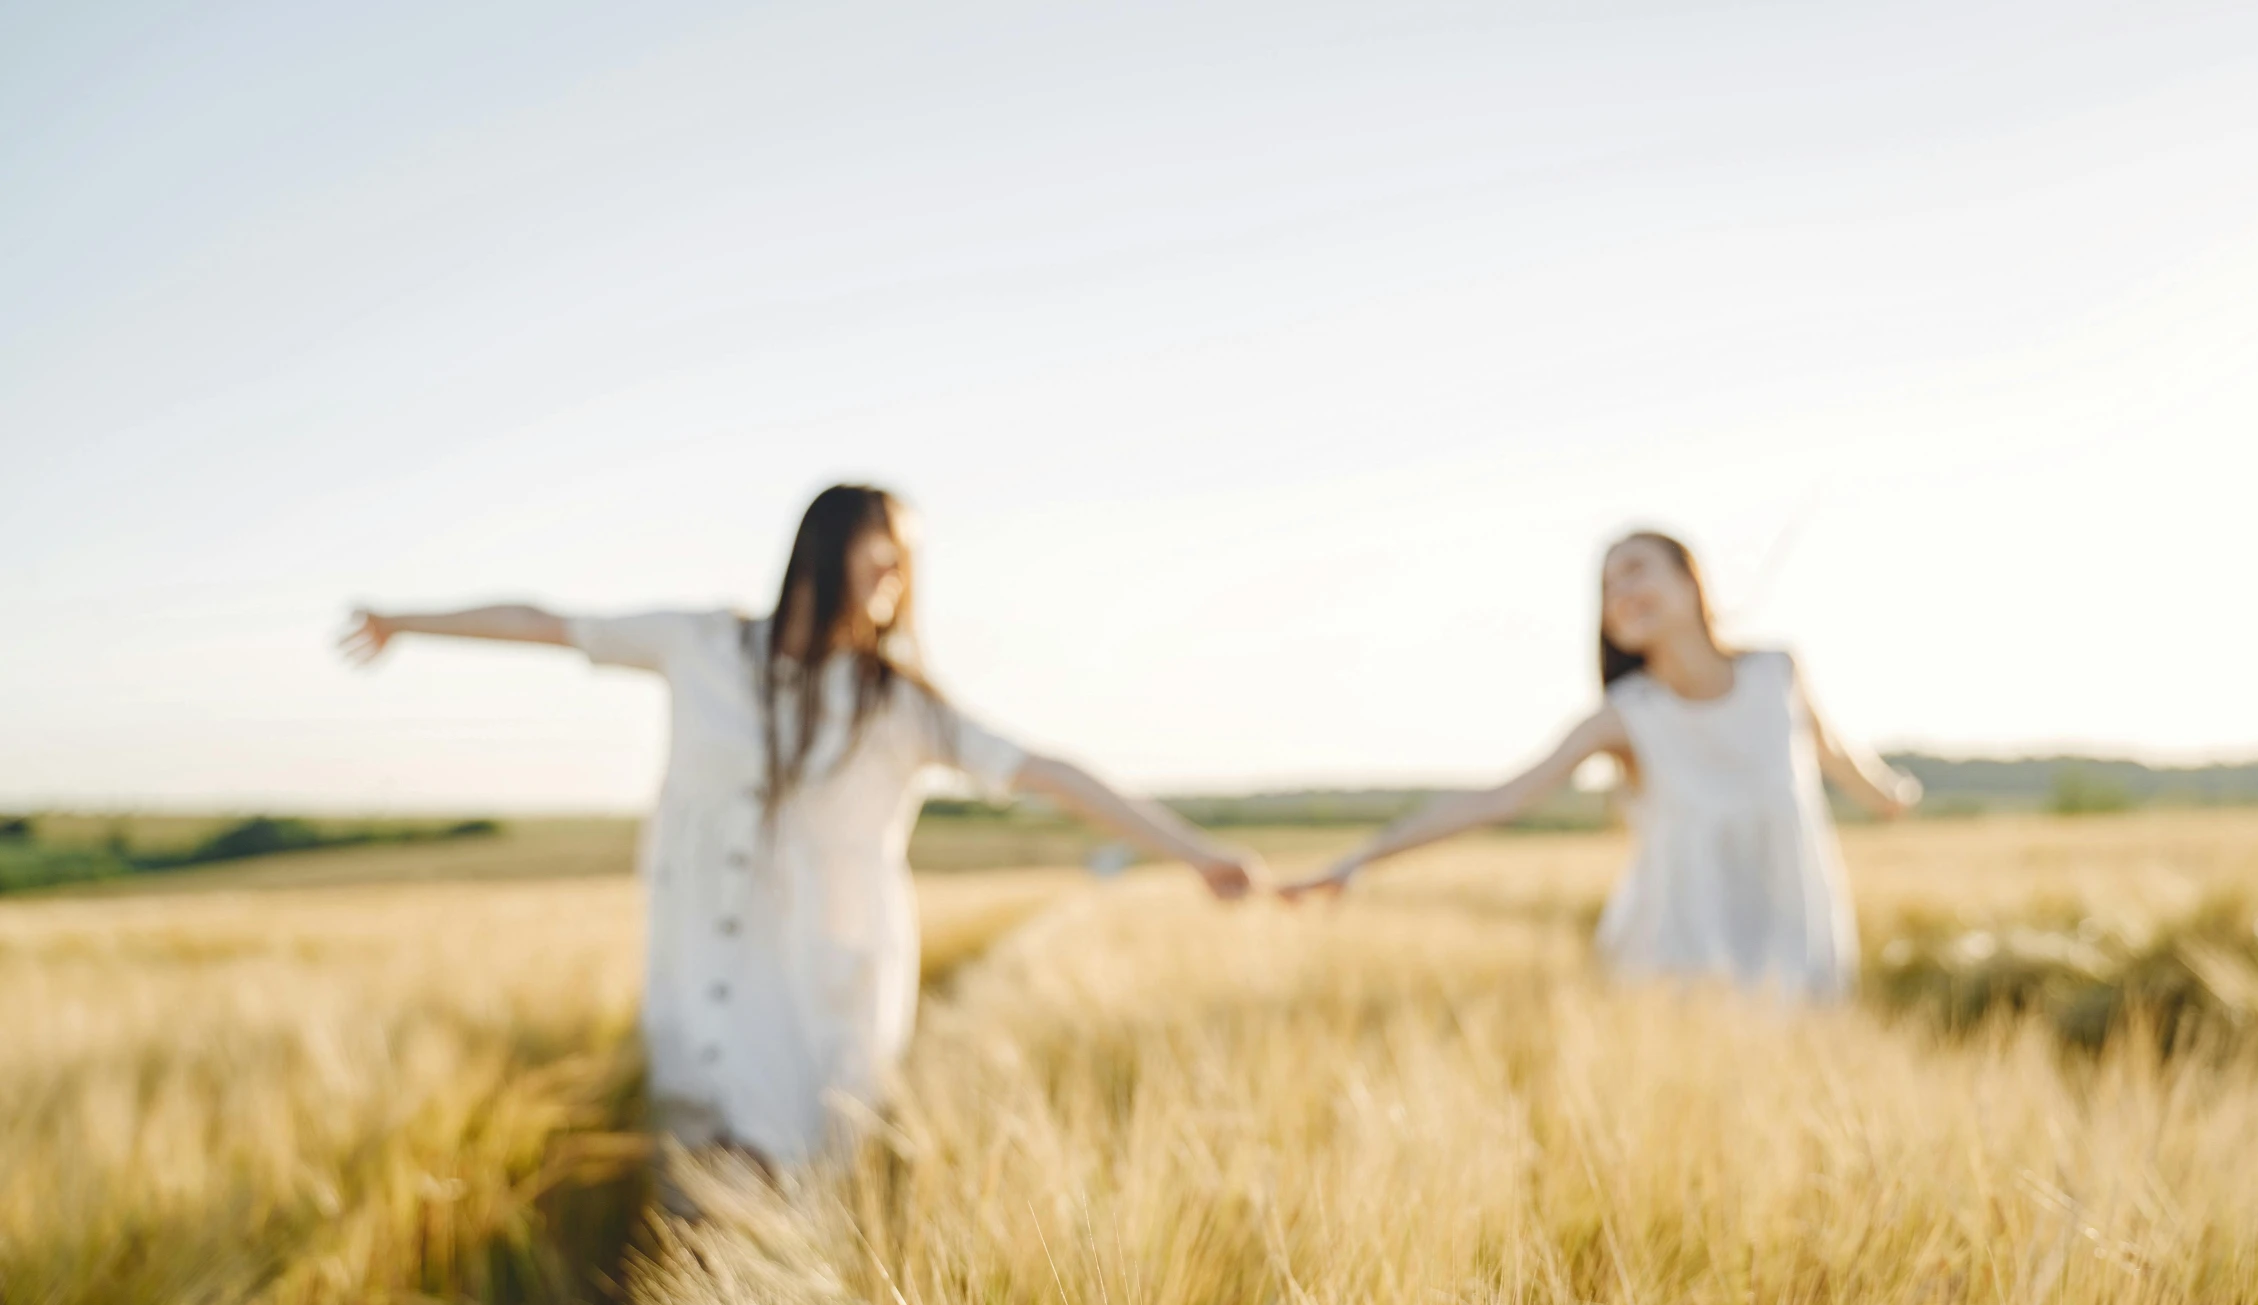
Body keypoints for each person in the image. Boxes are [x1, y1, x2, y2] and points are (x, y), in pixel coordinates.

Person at [342, 484, 1261, 1165]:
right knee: (698, 1171)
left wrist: (1193, 853)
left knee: (789, 1173)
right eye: (882, 558)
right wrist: (403, 621)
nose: (896, 585)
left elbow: (1048, 770)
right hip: (700, 955)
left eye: (906, 569)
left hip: (821, 980)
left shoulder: (899, 705)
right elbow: (553, 622)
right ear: (824, 553)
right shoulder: (700, 644)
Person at [1283, 529, 1917, 1000]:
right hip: (1678, 955)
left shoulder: (1776, 671)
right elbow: (1499, 800)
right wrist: (1359, 859)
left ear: (1690, 580)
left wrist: (1890, 796)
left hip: (1794, 935)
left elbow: (1830, 753)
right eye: (1607, 588)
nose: (1619, 594)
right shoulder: (1626, 716)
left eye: (1635, 570)